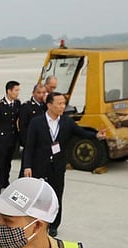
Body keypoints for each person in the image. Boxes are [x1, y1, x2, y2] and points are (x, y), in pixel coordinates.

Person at [22, 92, 106, 236]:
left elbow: (81, 132)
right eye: (59, 103)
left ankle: (54, 225)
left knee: (56, 196)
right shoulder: (37, 122)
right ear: (49, 105)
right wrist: (27, 166)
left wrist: (96, 136)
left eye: (63, 103)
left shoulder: (67, 122)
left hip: (58, 166)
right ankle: (35, 222)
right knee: (38, 197)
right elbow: (29, 146)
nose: (63, 106)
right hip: (39, 165)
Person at [0, 80, 22, 195]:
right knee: (0, 162)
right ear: (9, 91)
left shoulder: (17, 103)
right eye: (16, 90)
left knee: (8, 162)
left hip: (12, 139)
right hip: (1, 140)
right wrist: (0, 133)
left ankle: (5, 181)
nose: (18, 93)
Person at [18, 83, 47, 149]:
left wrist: (47, 104)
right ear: (33, 93)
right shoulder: (27, 106)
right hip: (32, 140)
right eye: (39, 93)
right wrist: (26, 142)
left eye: (44, 93)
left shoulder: (47, 106)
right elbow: (23, 126)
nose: (41, 95)